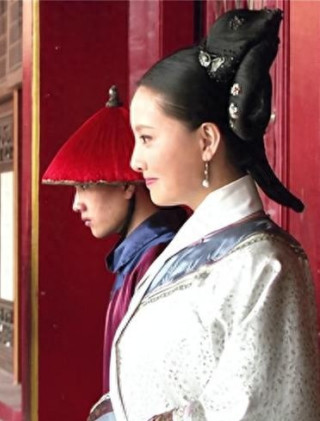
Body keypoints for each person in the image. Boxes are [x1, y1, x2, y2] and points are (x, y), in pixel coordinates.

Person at [110, 8, 320, 420]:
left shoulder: (264, 265)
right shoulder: (196, 246)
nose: (135, 160)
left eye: (147, 138)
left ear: (207, 140)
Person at [41, 87, 186, 420]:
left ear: (125, 184)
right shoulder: (139, 257)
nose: (76, 204)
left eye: (84, 185)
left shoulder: (159, 257)